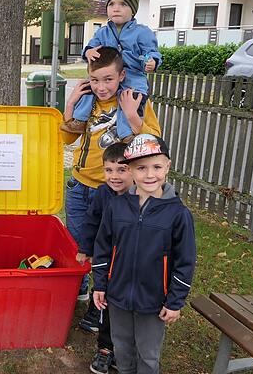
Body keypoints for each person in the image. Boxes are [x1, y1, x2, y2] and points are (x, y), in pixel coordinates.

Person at [60, 46, 161, 302]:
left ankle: (103, 295)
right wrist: (71, 103)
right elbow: (66, 136)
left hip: (115, 190)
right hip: (80, 186)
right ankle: (80, 289)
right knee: (77, 242)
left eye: (108, 79)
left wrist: (131, 116)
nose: (101, 87)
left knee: (110, 247)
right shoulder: (87, 102)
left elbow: (154, 142)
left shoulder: (134, 101)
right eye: (94, 80)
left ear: (122, 75)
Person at [92, 134, 196, 374]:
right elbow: (103, 247)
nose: (150, 175)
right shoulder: (116, 207)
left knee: (148, 356)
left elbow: (185, 262)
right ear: (130, 170)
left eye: (157, 167)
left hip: (153, 301)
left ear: (167, 167)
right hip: (117, 297)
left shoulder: (178, 214)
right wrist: (100, 284)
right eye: (141, 168)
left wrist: (175, 301)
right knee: (122, 350)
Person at [62, 0, 162, 142]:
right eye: (111, 4)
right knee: (87, 90)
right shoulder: (103, 32)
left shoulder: (142, 33)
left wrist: (152, 61)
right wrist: (89, 52)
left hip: (133, 77)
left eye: (123, 4)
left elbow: (151, 52)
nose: (116, 8)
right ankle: (79, 120)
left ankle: (126, 134)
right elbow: (90, 46)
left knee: (129, 100)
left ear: (133, 9)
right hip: (106, 73)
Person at [74, 142, 133, 374]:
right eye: (109, 170)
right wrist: (85, 248)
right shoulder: (102, 194)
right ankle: (105, 348)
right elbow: (91, 222)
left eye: (121, 170)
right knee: (104, 301)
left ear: (134, 169)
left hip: (130, 262)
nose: (114, 176)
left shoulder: (140, 196)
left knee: (128, 306)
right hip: (105, 259)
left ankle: (126, 351)